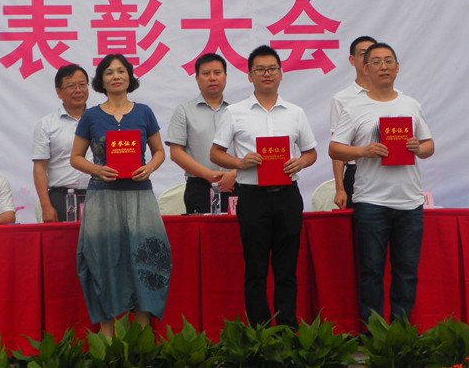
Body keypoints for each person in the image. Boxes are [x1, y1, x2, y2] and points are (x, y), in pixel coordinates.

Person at [210, 44, 318, 328]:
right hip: (252, 197)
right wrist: (240, 162)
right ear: (250, 76)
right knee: (255, 268)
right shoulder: (235, 112)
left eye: (272, 69)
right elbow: (215, 153)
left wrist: (300, 162)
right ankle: (259, 331)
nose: (267, 74)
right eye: (260, 70)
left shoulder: (295, 112)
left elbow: (311, 153)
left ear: (281, 74)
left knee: (286, 269)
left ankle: (286, 329)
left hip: (287, 196)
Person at [330, 42, 434, 323]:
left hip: (409, 201)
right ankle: (373, 331)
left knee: (406, 272)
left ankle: (401, 331)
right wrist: (363, 151)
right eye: (376, 62)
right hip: (371, 202)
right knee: (371, 271)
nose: (383, 67)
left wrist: (418, 147)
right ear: (365, 69)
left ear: (397, 67)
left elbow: (429, 146)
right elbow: (335, 149)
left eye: (389, 61)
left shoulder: (410, 104)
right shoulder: (354, 108)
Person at [69, 53, 171, 336]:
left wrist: (150, 167)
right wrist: (97, 169)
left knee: (147, 258)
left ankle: (142, 334)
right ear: (101, 80)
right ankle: (107, 335)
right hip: (103, 198)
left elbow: (159, 151)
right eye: (109, 72)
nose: (116, 76)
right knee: (102, 259)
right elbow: (75, 157)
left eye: (121, 71)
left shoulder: (144, 112)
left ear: (129, 77)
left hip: (140, 197)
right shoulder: (91, 116)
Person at [166, 52, 237, 214]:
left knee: (238, 229)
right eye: (206, 73)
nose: (212, 78)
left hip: (235, 184)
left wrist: (235, 173)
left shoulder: (238, 111)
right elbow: (176, 153)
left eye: (217, 73)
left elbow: (249, 150)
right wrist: (210, 175)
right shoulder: (184, 111)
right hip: (199, 186)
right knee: (202, 229)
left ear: (225, 77)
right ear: (197, 78)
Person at [32, 64, 91, 222]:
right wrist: (46, 206)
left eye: (82, 85)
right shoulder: (46, 124)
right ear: (58, 92)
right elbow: (39, 167)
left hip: (97, 196)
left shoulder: (100, 120)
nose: (78, 90)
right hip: (61, 198)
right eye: (71, 86)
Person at [329, 35, 377, 209]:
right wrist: (340, 188)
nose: (368, 59)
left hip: (389, 171)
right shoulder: (342, 99)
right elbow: (337, 147)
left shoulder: (395, 97)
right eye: (363, 54)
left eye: (373, 54)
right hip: (357, 172)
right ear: (352, 60)